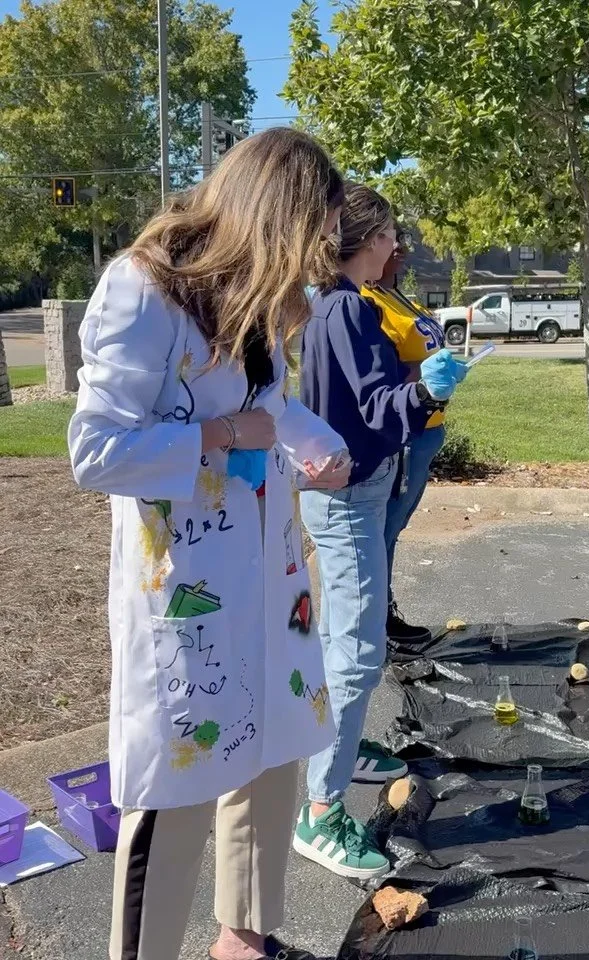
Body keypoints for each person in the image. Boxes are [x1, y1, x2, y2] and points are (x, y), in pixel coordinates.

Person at [68, 128, 349, 960]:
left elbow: (270, 405)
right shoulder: (143, 288)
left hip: (269, 574)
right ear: (273, 217)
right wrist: (224, 435)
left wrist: (315, 442)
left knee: (272, 759)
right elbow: (96, 453)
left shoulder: (254, 296)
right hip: (189, 584)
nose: (309, 266)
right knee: (179, 783)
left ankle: (244, 939)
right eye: (306, 241)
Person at [294, 183, 466, 879]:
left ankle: (340, 746)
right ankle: (319, 813)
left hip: (350, 490)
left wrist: (422, 384)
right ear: (365, 239)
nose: (398, 245)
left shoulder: (346, 306)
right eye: (391, 234)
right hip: (346, 500)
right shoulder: (345, 310)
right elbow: (372, 407)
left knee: (341, 640)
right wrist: (427, 390)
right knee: (358, 653)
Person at [363, 228, 448, 644]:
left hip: (427, 429)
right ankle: (378, 619)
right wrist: (423, 377)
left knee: (395, 526)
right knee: (385, 527)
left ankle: (381, 611)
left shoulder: (396, 295)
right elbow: (376, 376)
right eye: (393, 248)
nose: (401, 255)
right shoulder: (366, 300)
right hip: (404, 432)